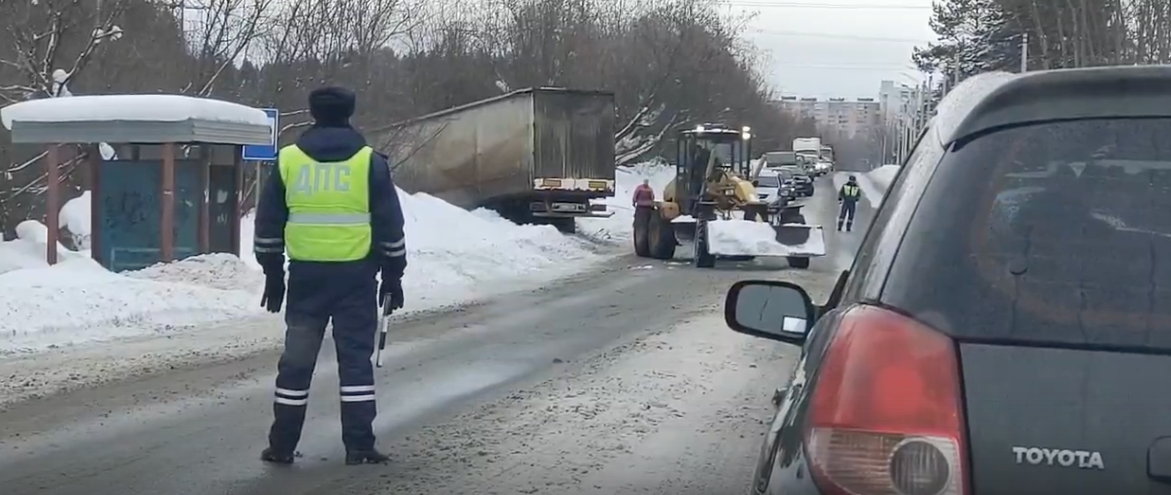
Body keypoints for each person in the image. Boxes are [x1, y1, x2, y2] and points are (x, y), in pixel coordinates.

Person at [252, 86, 407, 466]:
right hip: (355, 279)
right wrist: (393, 275)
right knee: (354, 362)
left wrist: (273, 273)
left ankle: (282, 445)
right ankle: (359, 447)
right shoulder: (370, 163)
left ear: (312, 113)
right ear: (349, 114)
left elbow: (268, 224)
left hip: (305, 279)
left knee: (297, 362)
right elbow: (390, 226)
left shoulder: (287, 161)